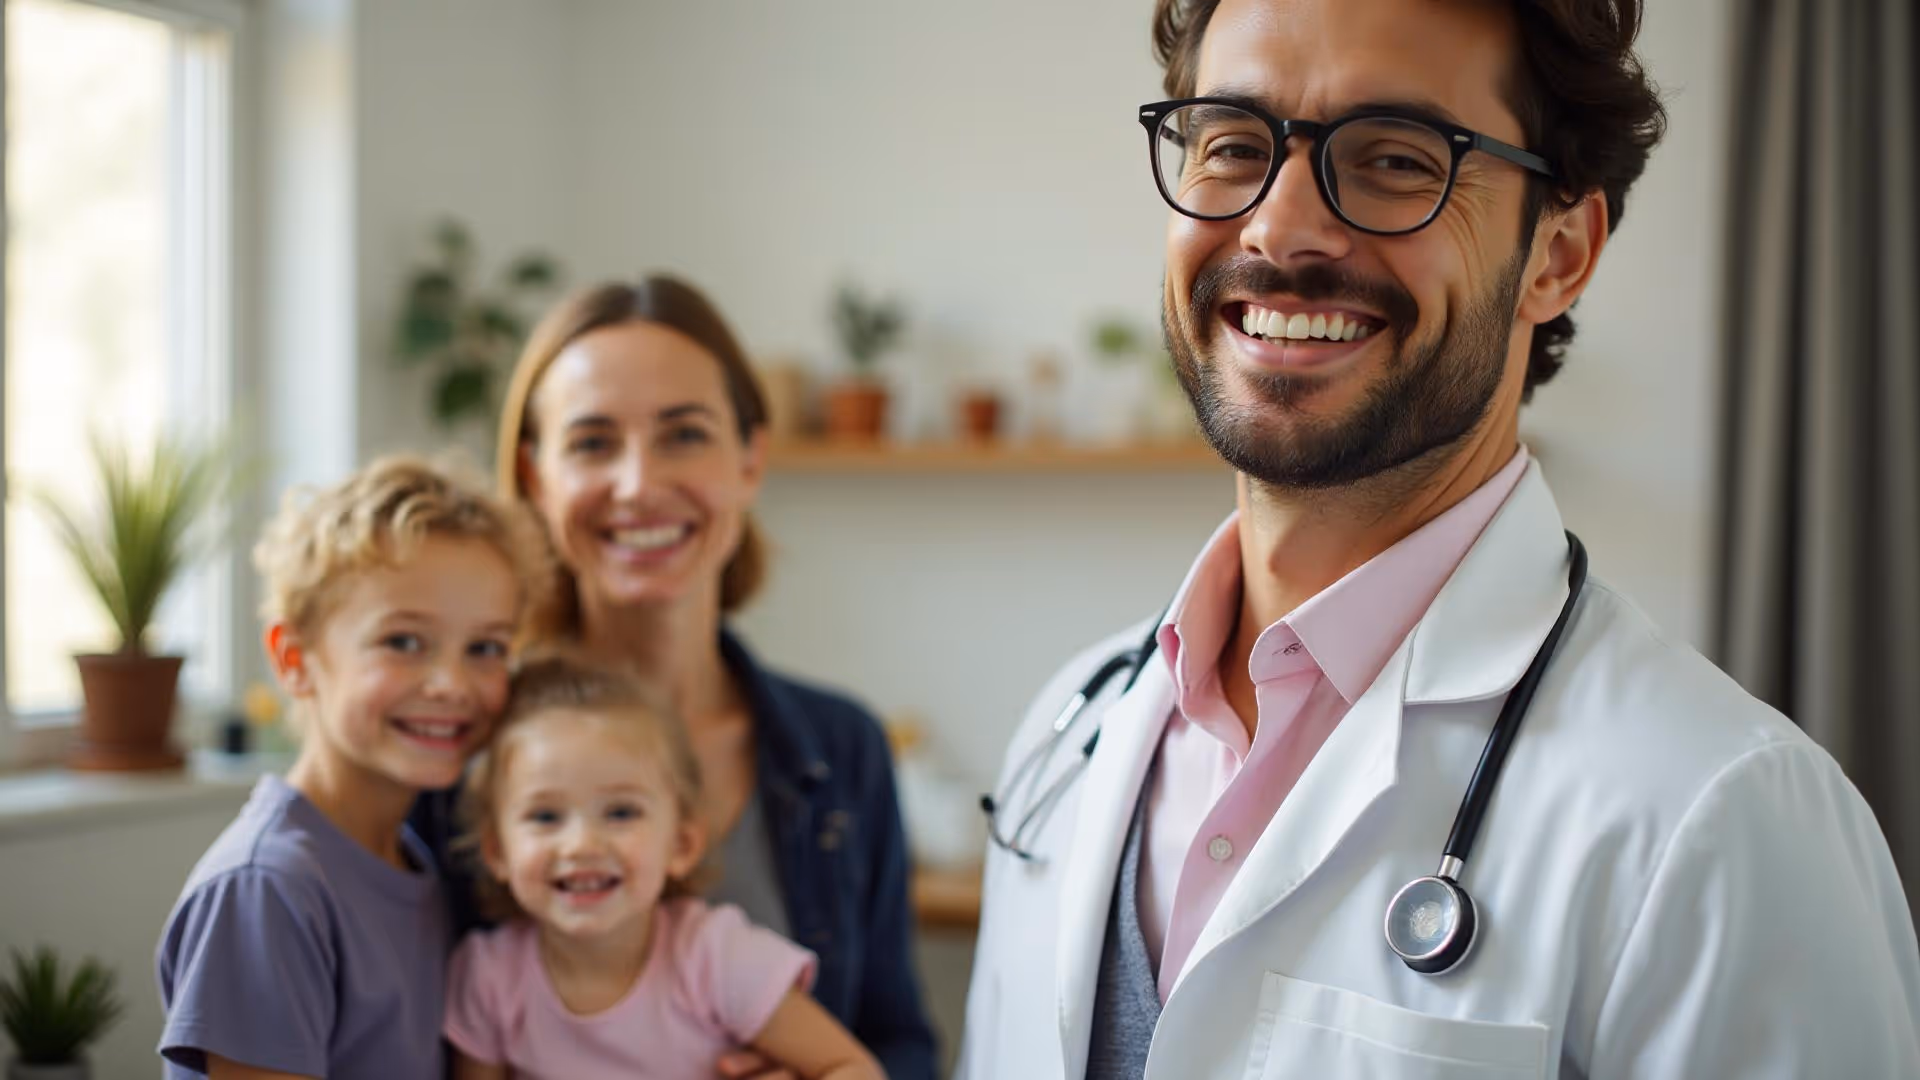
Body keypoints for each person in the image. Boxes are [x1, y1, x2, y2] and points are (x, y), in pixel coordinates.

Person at [960, 0, 1920, 1077]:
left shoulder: (1727, 821)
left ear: (1557, 254)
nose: (1279, 229)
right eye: (1232, 143)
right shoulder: (1071, 731)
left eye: (1394, 161)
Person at [410, 275, 936, 1079]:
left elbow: (902, 1046)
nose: (639, 484)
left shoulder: (842, 749)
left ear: (751, 459)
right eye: (591, 442)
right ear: (536, 477)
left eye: (683, 434)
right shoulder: (463, 748)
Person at [155, 458, 551, 1078]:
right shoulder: (268, 888)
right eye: (404, 641)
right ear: (295, 659)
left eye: (486, 648)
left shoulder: (418, 861)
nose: (451, 684)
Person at [444, 654, 884, 1080]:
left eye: (620, 813)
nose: (581, 844)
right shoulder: (488, 978)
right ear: (497, 851)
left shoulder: (716, 958)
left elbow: (852, 1068)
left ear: (681, 844)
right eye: (545, 817)